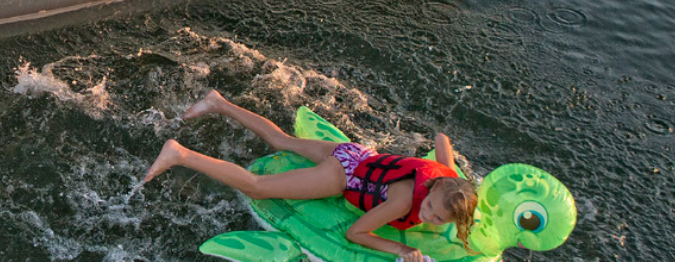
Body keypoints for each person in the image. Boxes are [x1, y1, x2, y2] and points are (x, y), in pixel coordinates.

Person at [142, 90, 479, 262]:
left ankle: (218, 102)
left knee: (282, 140)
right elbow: (356, 233)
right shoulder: (405, 200)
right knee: (257, 187)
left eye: (438, 218)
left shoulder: (447, 178)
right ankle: (181, 154)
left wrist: (458, 195)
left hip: (357, 153)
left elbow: (441, 140)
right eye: (430, 206)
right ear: (432, 188)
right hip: (343, 175)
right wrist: (401, 250)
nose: (429, 216)